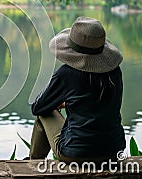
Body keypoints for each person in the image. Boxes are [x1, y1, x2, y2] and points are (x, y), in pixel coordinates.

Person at [29, 16, 125, 163]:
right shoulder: (115, 72)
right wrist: (69, 102)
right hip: (114, 152)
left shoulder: (67, 73)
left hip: (76, 154)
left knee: (44, 113)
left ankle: (33, 164)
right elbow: (101, 104)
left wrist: (58, 101)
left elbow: (38, 107)